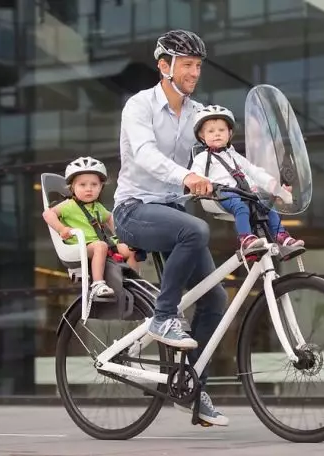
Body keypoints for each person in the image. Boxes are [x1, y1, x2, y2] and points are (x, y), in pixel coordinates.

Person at [111, 29, 228, 426]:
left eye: (198, 65)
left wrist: (261, 187)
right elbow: (143, 155)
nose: (194, 73)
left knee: (215, 301)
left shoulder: (198, 115)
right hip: (135, 210)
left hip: (172, 216)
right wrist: (186, 177)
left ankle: (192, 389)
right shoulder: (138, 106)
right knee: (194, 230)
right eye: (187, 65)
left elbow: (219, 159)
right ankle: (163, 316)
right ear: (165, 67)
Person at [190, 105, 304, 255]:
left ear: (229, 133)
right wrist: (200, 185)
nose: (217, 134)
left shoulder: (234, 156)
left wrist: (273, 186)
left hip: (245, 192)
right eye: (211, 131)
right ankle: (246, 239)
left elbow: (254, 171)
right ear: (202, 136)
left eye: (221, 130)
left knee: (267, 205)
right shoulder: (202, 157)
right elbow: (196, 175)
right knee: (240, 207)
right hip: (223, 193)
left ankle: (280, 235)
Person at [42, 157, 138, 298]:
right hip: (79, 245)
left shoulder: (97, 207)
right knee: (100, 246)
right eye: (82, 185)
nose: (89, 189)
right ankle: (98, 283)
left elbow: (109, 218)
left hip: (99, 243)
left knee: (130, 249)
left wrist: (120, 236)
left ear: (101, 187)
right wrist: (62, 229)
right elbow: (47, 214)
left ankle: (134, 282)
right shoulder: (68, 205)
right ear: (72, 188)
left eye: (94, 185)